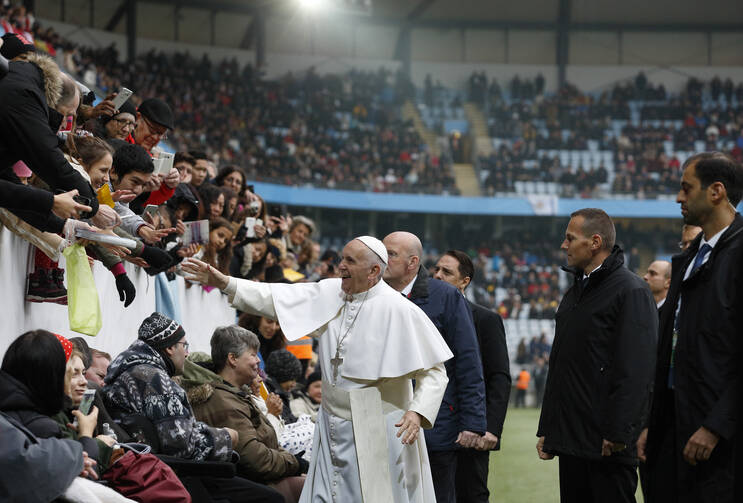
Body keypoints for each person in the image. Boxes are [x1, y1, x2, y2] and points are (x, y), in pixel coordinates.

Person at [181, 235, 453, 503]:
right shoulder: (331, 293)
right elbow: (275, 296)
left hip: (378, 422)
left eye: (350, 260)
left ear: (373, 271)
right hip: (331, 418)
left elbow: (435, 372)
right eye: (341, 259)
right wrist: (226, 283)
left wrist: (417, 412)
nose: (341, 266)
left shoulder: (400, 310)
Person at [537, 208, 657, 503]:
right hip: (572, 440)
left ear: (594, 242)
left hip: (608, 445)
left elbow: (637, 370)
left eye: (570, 238)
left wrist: (618, 433)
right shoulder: (574, 293)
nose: (563, 245)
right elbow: (561, 365)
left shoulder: (631, 291)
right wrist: (549, 428)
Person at [642, 153, 743, 503]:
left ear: (716, 191)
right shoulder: (688, 259)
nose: (678, 197)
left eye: (686, 188)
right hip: (672, 426)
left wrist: (717, 426)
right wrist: (650, 423)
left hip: (717, 442)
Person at [102, 312, 283, 503]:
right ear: (171, 347)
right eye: (184, 345)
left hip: (155, 470)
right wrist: (227, 437)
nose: (187, 353)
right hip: (171, 475)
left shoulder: (130, 371)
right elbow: (180, 446)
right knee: (270, 498)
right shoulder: (154, 380)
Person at [383, 232, 486, 503]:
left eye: (391, 253)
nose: (383, 258)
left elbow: (468, 361)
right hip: (384, 421)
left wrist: (472, 423)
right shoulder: (371, 296)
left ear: (412, 261)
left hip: (436, 425)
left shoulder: (446, 296)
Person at [180, 326, 307, 503]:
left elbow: (267, 444)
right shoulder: (222, 401)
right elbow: (256, 460)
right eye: (253, 355)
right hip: (255, 483)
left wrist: (293, 461)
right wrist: (295, 463)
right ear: (232, 359)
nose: (258, 362)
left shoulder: (236, 394)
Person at [432, 249, 511, 503]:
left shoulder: (486, 320)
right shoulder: (421, 315)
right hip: (433, 426)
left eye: (447, 272)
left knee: (470, 494)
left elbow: (499, 377)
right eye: (436, 270)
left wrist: (490, 428)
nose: (438, 275)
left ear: (464, 281)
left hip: (471, 429)